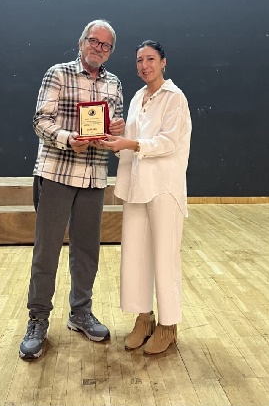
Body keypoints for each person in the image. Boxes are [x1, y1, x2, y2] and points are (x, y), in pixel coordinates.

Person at [19, 20, 124, 359]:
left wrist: (117, 130)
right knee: (46, 251)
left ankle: (81, 312)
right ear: (81, 42)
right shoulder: (58, 73)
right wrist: (68, 139)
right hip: (56, 173)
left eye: (106, 45)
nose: (99, 48)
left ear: (110, 51)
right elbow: (40, 121)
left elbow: (114, 131)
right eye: (94, 41)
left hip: (94, 177)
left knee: (87, 251)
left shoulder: (114, 83)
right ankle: (38, 319)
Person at [99, 40, 191, 355]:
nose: (144, 66)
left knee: (165, 257)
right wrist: (116, 138)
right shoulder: (138, 97)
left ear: (163, 62)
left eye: (150, 59)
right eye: (139, 60)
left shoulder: (174, 97)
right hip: (136, 187)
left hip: (164, 186)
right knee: (135, 255)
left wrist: (130, 144)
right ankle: (143, 318)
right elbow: (132, 140)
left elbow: (168, 142)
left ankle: (168, 325)